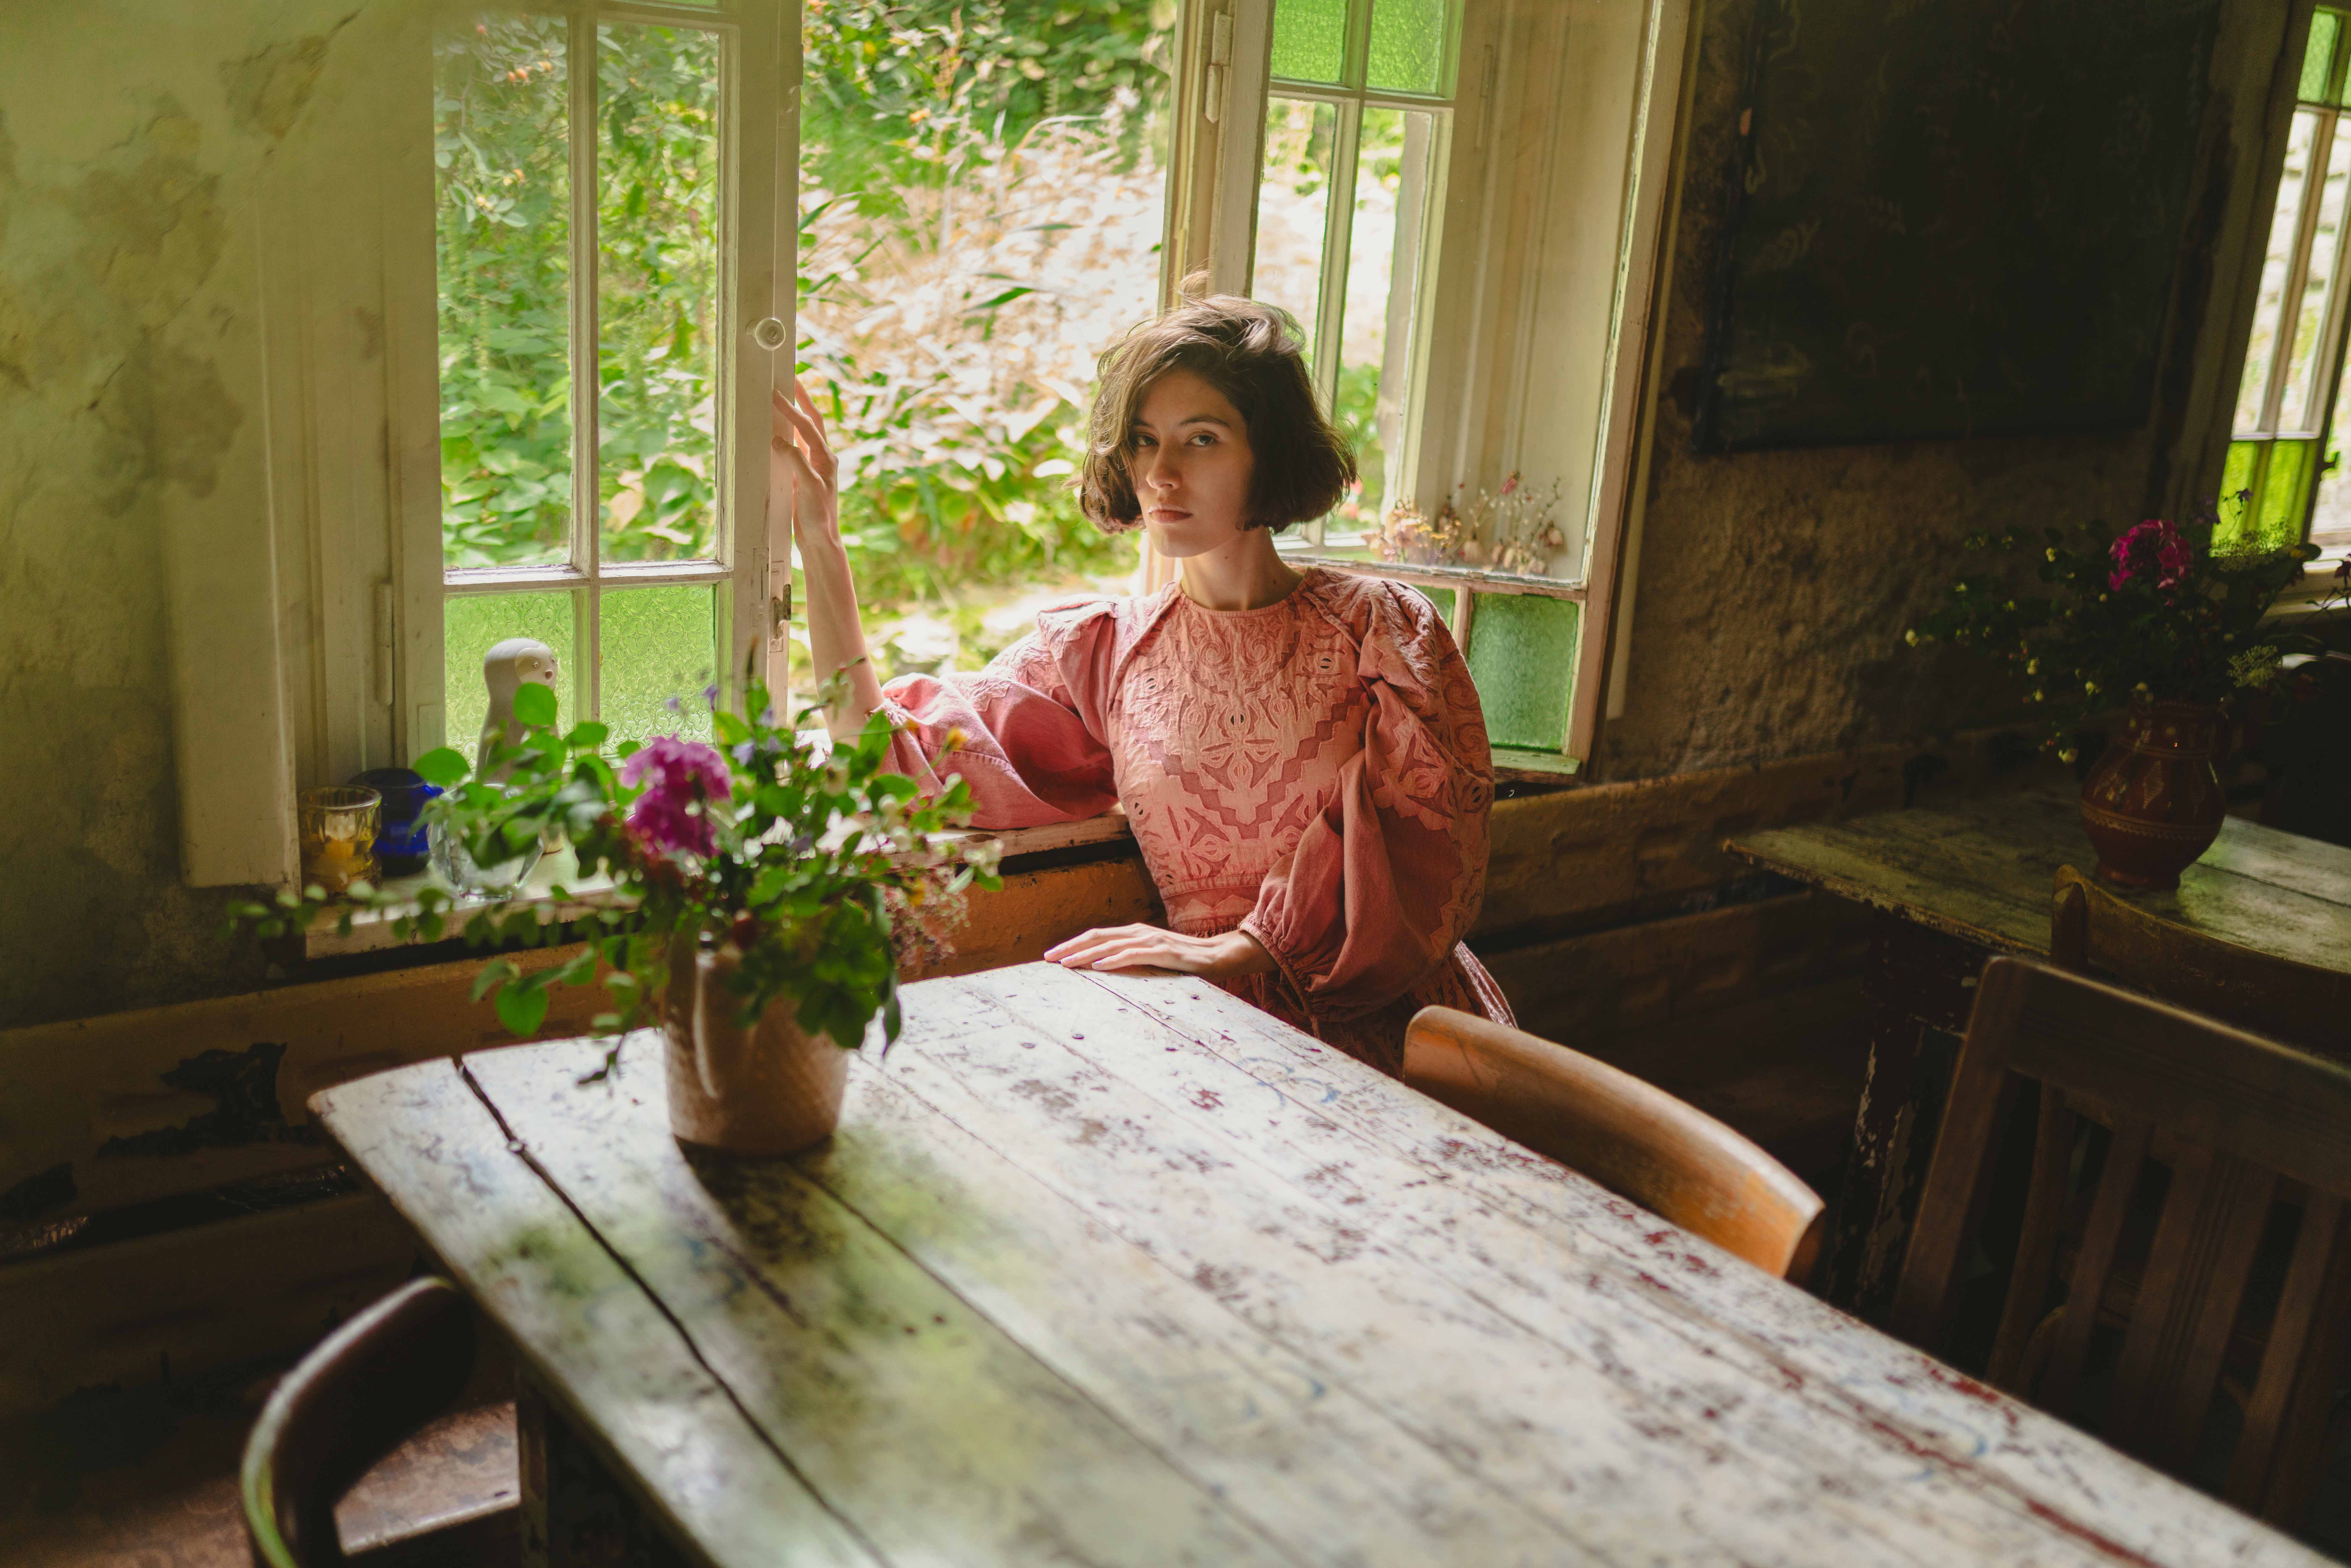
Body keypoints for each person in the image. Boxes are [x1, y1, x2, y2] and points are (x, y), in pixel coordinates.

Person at [773, 293, 1513, 1076]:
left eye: (1202, 439)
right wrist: (820, 541)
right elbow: (887, 755)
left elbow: (1432, 847)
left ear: (1270, 451)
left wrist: (1241, 948)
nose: (1162, 473)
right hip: (1208, 1041)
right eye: (1143, 441)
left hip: (1400, 1038)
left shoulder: (1381, 629)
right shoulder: (1106, 653)